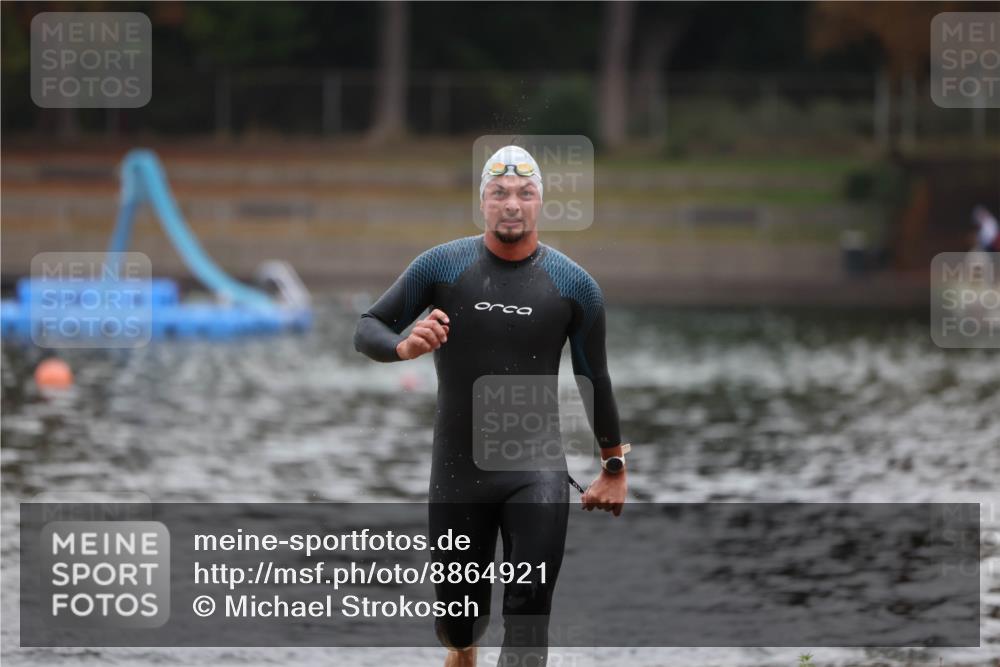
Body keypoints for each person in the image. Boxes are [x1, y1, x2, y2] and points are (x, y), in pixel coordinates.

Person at [353, 145, 628, 667]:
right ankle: (463, 652)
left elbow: (595, 376)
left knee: (528, 611)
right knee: (459, 623)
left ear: (540, 202)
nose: (511, 203)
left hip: (536, 470)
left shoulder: (575, 287)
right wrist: (404, 346)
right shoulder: (441, 267)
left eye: (524, 193)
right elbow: (367, 327)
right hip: (459, 473)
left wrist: (613, 464)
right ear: (483, 200)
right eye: (499, 192)